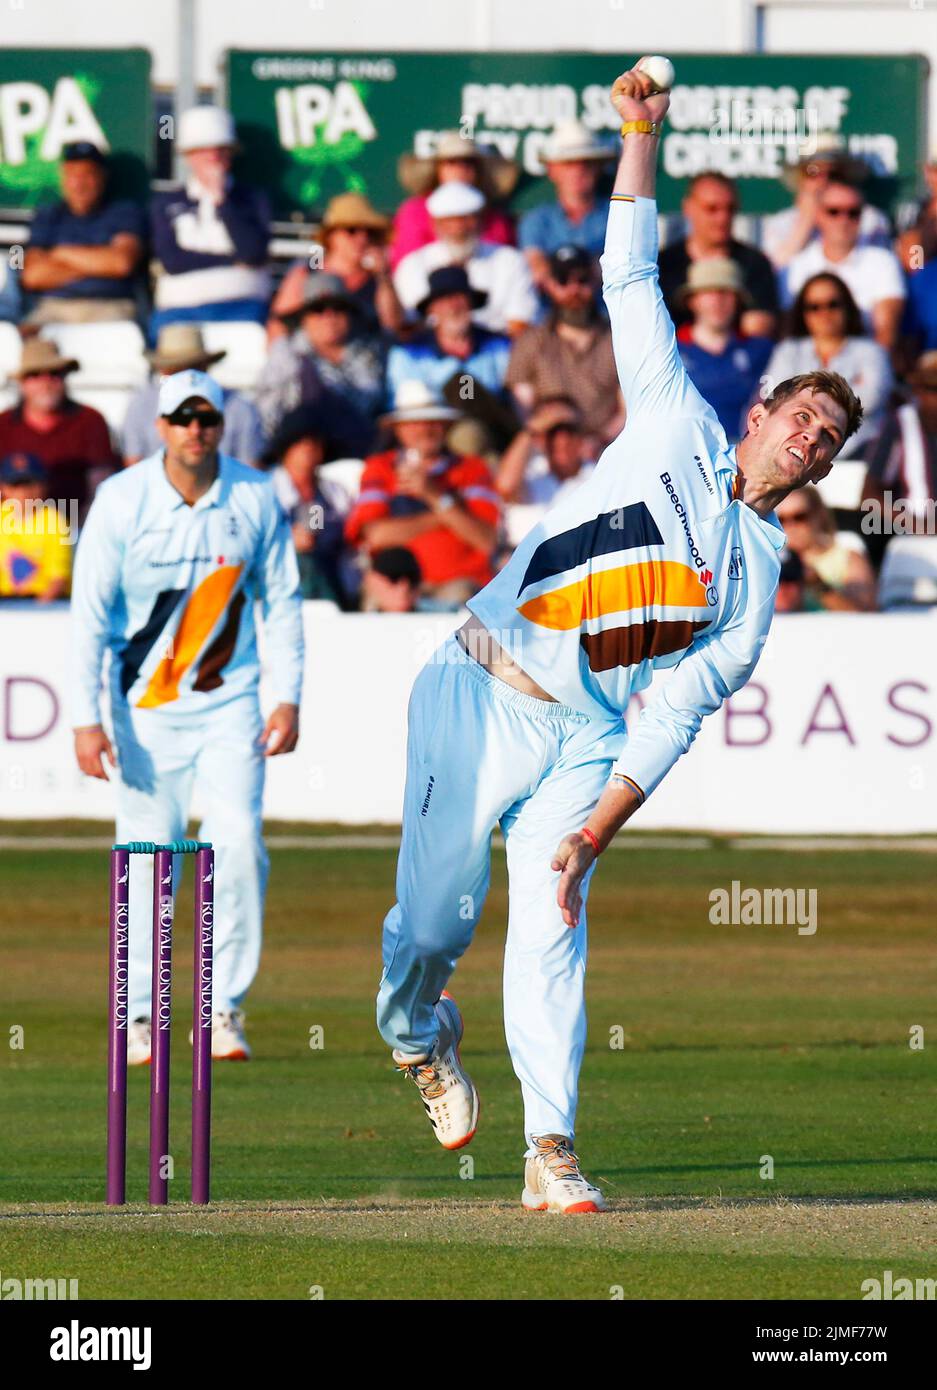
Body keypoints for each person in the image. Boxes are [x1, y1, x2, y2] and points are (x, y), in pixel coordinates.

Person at [375, 63, 863, 1215]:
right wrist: (638, 134)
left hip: (586, 741)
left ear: (824, 471)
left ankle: (551, 1152)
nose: (808, 436)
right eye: (800, 414)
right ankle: (415, 1031)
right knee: (437, 918)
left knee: (548, 916)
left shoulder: (757, 574)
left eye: (828, 439)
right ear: (759, 415)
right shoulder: (673, 413)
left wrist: (599, 825)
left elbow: (686, 705)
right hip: (479, 681)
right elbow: (630, 272)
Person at [70, 369, 303, 1064]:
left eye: (207, 419)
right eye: (183, 419)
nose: (195, 431)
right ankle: (140, 1014)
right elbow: (88, 616)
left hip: (230, 705)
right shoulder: (120, 500)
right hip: (143, 709)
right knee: (148, 859)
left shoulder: (255, 495)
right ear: (161, 426)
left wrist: (287, 695)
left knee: (237, 848)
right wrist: (86, 718)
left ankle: (222, 1007)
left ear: (219, 425)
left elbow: (282, 602)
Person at [344, 380, 500, 611]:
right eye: (414, 423)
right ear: (398, 429)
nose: (424, 430)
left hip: (460, 585)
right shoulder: (379, 469)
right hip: (395, 584)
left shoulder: (473, 470)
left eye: (432, 422)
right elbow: (376, 536)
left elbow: (486, 540)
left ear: (445, 426)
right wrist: (447, 515)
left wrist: (434, 495)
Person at [150, 106, 272, 334]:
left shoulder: (253, 198)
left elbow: (252, 252)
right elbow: (172, 261)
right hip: (178, 311)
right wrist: (231, 261)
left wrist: (222, 202)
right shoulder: (166, 202)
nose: (213, 157)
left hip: (243, 309)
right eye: (203, 150)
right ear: (187, 155)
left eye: (221, 150)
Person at [506, 243, 624, 450]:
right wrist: (552, 445)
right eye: (563, 280)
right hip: (547, 450)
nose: (573, 289)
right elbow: (522, 409)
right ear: (549, 285)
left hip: (609, 448)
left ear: (595, 281)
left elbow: (629, 408)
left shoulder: (618, 339)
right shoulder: (531, 340)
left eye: (582, 280)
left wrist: (600, 441)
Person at [385, 266, 516, 452]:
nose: (453, 307)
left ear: (471, 303)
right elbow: (406, 404)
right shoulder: (409, 353)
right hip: (430, 433)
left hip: (493, 431)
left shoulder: (498, 345)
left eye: (459, 299)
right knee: (460, 385)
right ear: (432, 309)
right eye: (445, 300)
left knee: (464, 386)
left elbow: (511, 395)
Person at [765, 273, 892, 458]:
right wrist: (847, 392)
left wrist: (804, 400)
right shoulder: (788, 350)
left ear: (847, 307)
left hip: (861, 455)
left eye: (833, 304)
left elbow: (871, 399)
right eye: (814, 307)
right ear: (803, 313)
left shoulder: (872, 351)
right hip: (796, 452)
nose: (824, 313)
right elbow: (775, 396)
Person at [254, 273, 384, 450]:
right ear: (304, 318)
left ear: (350, 316)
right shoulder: (286, 353)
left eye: (338, 308)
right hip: (296, 446)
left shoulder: (366, 353)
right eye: (319, 309)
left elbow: (368, 404)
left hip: (352, 446)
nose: (329, 317)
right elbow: (268, 413)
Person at [21, 142, 146, 325]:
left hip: (109, 307)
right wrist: (98, 263)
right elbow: (32, 276)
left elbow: (121, 263)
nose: (79, 184)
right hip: (52, 308)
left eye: (88, 175)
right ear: (63, 177)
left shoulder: (124, 212)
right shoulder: (47, 216)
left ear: (102, 177)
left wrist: (60, 254)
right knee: (26, 344)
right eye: (73, 175)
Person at [394, 182, 538, 337]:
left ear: (481, 221)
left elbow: (521, 324)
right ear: (435, 224)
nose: (458, 229)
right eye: (449, 221)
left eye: (465, 220)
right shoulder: (412, 266)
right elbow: (406, 327)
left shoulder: (510, 261)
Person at [783, 179, 906, 351]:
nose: (844, 219)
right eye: (834, 212)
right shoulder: (797, 266)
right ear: (818, 215)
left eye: (853, 212)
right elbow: (789, 330)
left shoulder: (883, 262)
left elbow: (886, 333)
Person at [0, 337, 117, 515]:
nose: (46, 383)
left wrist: (85, 530)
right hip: (12, 532)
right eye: (35, 375)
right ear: (22, 383)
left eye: (54, 373)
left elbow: (101, 487)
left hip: (77, 527)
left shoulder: (90, 421)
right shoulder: (4, 425)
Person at [122, 324, 266, 466]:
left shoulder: (240, 408)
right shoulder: (140, 405)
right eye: (176, 370)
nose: (195, 431)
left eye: (192, 369)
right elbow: (134, 469)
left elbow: (250, 471)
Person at [657, 172, 778, 337]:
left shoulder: (755, 264)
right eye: (712, 209)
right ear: (688, 208)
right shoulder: (665, 264)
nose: (723, 217)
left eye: (729, 209)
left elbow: (760, 327)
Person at [270, 192, 404, 340]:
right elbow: (278, 326)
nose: (362, 238)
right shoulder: (306, 274)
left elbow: (392, 326)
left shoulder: (380, 281)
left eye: (369, 232)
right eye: (351, 230)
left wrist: (384, 278)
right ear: (331, 236)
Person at [674, 258, 773, 444]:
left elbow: (773, 399)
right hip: (685, 452)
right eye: (707, 292)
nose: (717, 301)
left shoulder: (761, 350)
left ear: (738, 300)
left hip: (745, 453)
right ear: (692, 300)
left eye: (725, 292)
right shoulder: (669, 351)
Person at [264, 405, 356, 605]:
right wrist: (286, 539)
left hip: (332, 581)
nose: (308, 449)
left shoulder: (333, 493)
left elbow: (338, 533)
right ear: (286, 448)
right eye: (300, 442)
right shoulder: (265, 489)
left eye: (314, 443)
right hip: (277, 583)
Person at [392, 131, 518, 269]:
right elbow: (407, 265)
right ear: (437, 169)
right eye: (451, 162)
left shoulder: (494, 218)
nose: (460, 169)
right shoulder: (415, 211)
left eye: (468, 163)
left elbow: (504, 263)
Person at [763, 140, 891, 271]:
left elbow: (879, 265)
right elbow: (773, 269)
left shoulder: (869, 218)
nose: (823, 181)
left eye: (833, 174)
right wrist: (806, 221)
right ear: (801, 179)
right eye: (813, 172)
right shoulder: (780, 223)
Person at [518, 121, 614, 287]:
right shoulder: (536, 220)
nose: (578, 170)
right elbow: (536, 266)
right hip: (551, 312)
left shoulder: (618, 216)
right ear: (551, 169)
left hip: (607, 311)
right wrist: (558, 289)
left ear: (598, 167)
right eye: (569, 163)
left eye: (586, 162)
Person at [862, 351, 937, 537]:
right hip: (917, 535)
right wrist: (920, 526)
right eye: (932, 389)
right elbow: (871, 495)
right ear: (917, 389)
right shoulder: (900, 424)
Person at [776, 487, 875, 611]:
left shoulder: (847, 558)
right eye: (781, 519)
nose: (790, 526)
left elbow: (865, 614)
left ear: (819, 515)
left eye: (799, 517)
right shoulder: (769, 560)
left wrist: (818, 585)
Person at [495, 397, 595, 506]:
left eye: (570, 430)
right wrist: (531, 429)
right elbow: (505, 488)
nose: (562, 440)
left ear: (582, 436)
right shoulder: (532, 473)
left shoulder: (597, 474)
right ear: (539, 439)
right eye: (552, 432)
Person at [0, 453, 72, 600]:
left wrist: (35, 614)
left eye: (29, 484)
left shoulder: (55, 520)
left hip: (45, 604)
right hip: (5, 602)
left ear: (43, 486)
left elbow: (59, 577)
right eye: (15, 485)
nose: (23, 492)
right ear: (3, 488)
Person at [360, 546, 422, 612]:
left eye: (413, 579)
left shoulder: (432, 615)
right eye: (393, 578)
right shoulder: (351, 617)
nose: (404, 589)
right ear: (371, 580)